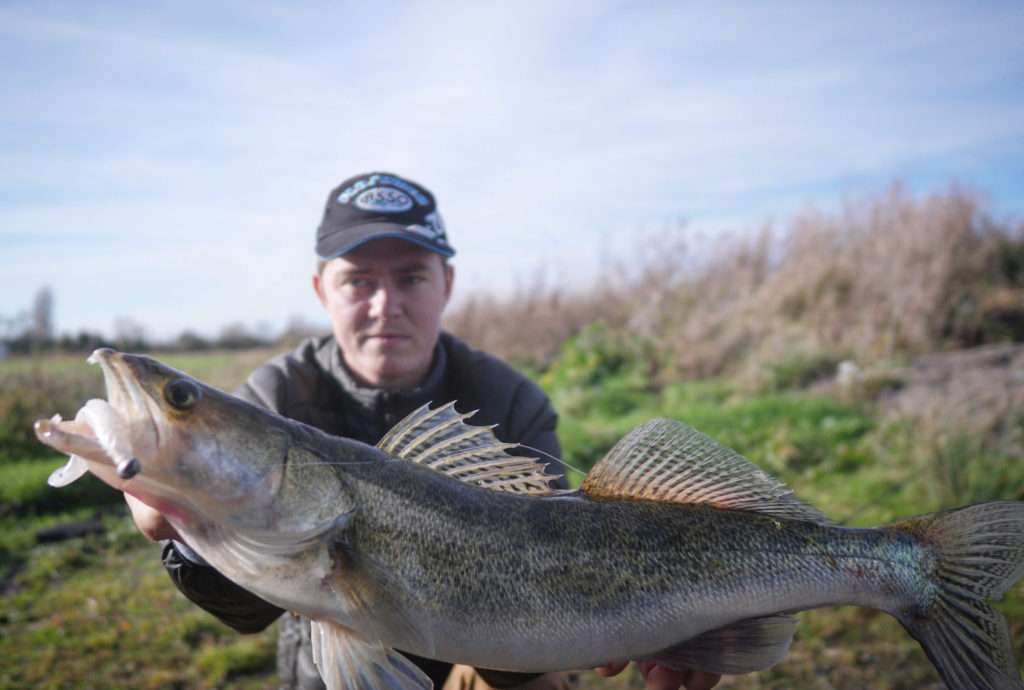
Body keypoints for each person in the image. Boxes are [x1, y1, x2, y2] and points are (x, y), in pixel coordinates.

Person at [125, 172, 720, 690]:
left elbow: (549, 574)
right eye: (358, 281)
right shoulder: (275, 397)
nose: (386, 305)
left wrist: (645, 620)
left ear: (447, 284)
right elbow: (247, 612)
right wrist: (186, 535)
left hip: (491, 668)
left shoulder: (509, 398)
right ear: (320, 291)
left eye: (410, 277)